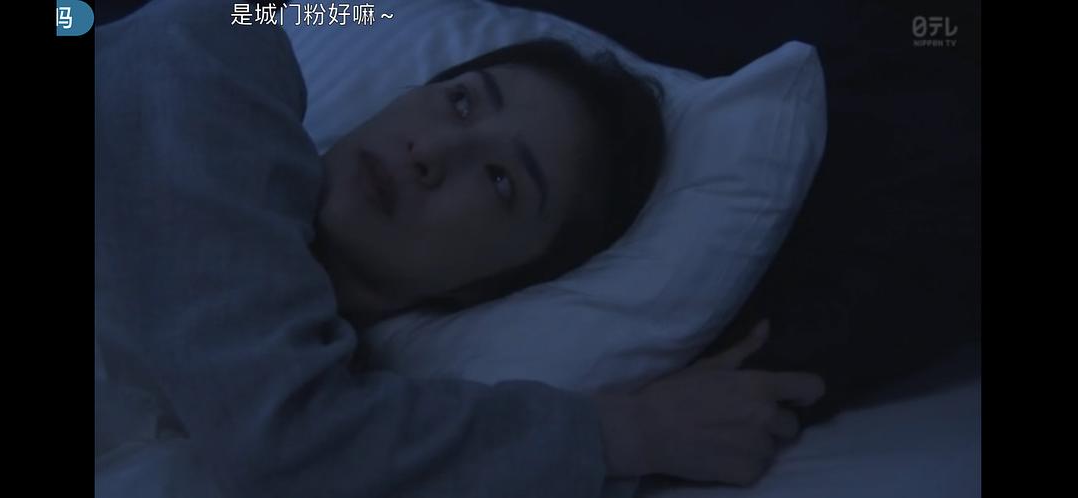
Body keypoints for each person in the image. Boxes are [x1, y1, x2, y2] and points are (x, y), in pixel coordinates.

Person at [94, 2, 824, 496]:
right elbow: (284, 437)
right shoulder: (210, 61)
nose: (434, 151)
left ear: (486, 288)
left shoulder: (373, 421)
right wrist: (630, 432)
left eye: (502, 181)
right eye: (462, 101)